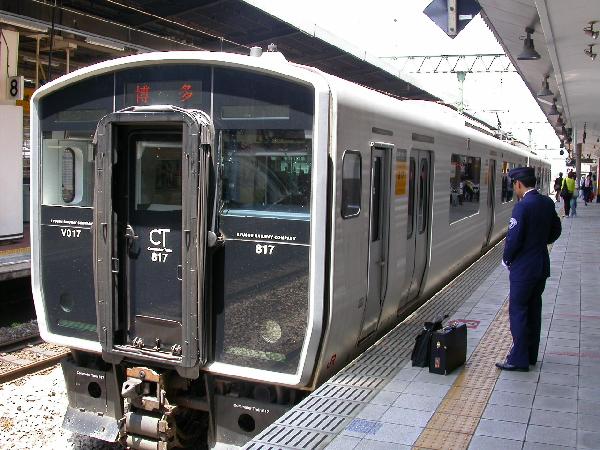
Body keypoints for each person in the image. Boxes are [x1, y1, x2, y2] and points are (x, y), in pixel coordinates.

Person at [496, 167, 562, 372]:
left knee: (518, 311)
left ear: (518, 184)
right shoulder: (547, 202)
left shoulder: (522, 207)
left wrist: (507, 259)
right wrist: (539, 242)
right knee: (534, 311)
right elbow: (556, 230)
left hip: (523, 270)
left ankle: (518, 359)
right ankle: (531, 355)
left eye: (514, 185)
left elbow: (513, 239)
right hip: (541, 266)